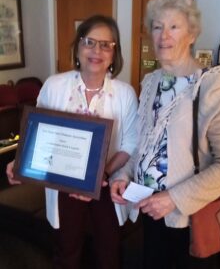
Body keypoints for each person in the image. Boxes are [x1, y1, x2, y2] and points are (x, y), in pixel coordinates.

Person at [110, 0, 220, 269]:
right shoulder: (151, 82)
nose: (164, 35)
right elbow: (143, 146)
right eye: (158, 26)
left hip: (191, 218)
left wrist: (173, 198)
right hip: (150, 211)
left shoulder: (212, 86)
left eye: (174, 26)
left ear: (192, 34)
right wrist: (122, 174)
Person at [7, 14, 138, 269]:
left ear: (114, 53)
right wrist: (19, 161)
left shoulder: (125, 93)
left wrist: (103, 173)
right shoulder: (55, 85)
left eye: (105, 44)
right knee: (67, 252)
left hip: (107, 183)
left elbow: (131, 142)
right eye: (89, 42)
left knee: (108, 251)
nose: (96, 50)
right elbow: (37, 131)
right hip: (63, 182)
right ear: (77, 46)